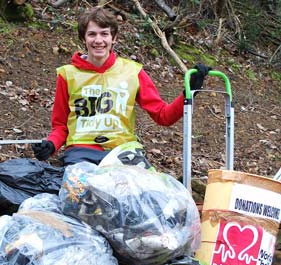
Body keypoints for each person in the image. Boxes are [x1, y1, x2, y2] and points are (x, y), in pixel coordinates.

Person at [32, 7, 210, 166]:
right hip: (81, 153)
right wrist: (51, 145)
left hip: (124, 152)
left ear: (114, 38)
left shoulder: (133, 71)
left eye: (104, 34)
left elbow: (163, 116)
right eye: (92, 34)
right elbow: (61, 126)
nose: (98, 40)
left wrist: (190, 91)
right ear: (83, 38)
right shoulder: (67, 74)